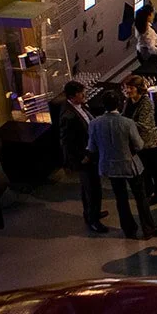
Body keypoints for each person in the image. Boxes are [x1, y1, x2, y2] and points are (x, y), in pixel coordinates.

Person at [87, 90, 157, 239]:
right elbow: (139, 145)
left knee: (121, 199)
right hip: (130, 166)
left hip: (110, 167)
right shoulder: (127, 123)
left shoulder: (94, 123)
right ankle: (148, 228)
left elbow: (92, 147)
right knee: (141, 198)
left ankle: (129, 230)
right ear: (119, 104)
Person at [59, 82, 105, 233]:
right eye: (80, 93)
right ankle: (93, 219)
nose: (84, 95)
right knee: (91, 189)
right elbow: (67, 142)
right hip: (84, 157)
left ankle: (93, 212)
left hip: (91, 153)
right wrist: (81, 158)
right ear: (72, 96)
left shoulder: (81, 106)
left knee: (92, 186)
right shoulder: (68, 116)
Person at [120, 74, 157, 204]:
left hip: (150, 142)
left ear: (138, 88)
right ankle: (148, 190)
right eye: (126, 88)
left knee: (155, 169)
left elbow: (145, 125)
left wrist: (125, 123)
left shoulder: (147, 103)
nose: (128, 91)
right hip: (136, 142)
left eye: (131, 88)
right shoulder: (128, 101)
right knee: (144, 169)